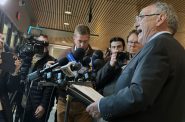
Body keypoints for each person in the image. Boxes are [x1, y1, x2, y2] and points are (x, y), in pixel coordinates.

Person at [86, 1, 185, 122]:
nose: (136, 24)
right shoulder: (177, 48)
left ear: (160, 19)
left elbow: (140, 94)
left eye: (141, 17)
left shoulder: (158, 45)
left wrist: (103, 106)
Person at [56, 24, 94, 122]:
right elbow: (56, 76)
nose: (82, 45)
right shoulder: (64, 55)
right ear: (74, 38)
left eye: (85, 41)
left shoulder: (94, 56)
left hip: (85, 103)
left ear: (89, 39)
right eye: (80, 41)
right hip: (64, 100)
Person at [23, 34, 56, 122]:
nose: (43, 47)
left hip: (38, 104)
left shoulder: (51, 61)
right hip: (25, 101)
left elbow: (50, 87)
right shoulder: (28, 57)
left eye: (45, 44)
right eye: (40, 44)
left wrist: (43, 105)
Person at [0, 33, 21, 122]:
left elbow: (11, 88)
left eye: (3, 39)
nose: (1, 41)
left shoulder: (6, 61)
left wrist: (15, 71)